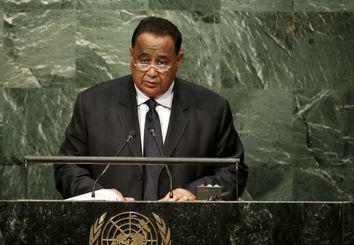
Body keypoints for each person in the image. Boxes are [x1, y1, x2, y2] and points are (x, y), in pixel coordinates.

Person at [54, 16, 248, 201]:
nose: (152, 72)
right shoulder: (92, 104)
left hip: (187, 227)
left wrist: (195, 194)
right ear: (131, 55)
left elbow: (234, 173)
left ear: (178, 61)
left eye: (162, 62)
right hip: (112, 228)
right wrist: (99, 195)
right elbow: (66, 168)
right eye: (144, 60)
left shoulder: (212, 109)